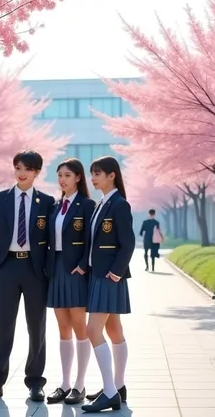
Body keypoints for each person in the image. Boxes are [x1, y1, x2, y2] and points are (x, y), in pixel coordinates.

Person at [0, 150, 55, 402]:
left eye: (27, 169)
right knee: (2, 325)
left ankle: (35, 383)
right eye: (18, 167)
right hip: (7, 268)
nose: (21, 173)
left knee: (36, 327)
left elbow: (51, 238)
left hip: (35, 270)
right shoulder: (1, 199)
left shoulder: (46, 202)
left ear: (36, 172)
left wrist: (46, 269)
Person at [81, 156, 134, 413]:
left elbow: (128, 243)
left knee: (92, 330)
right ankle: (118, 387)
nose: (93, 178)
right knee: (113, 330)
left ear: (112, 175)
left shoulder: (119, 205)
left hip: (108, 276)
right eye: (92, 173)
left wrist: (115, 273)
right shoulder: (101, 204)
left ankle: (110, 392)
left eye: (98, 173)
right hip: (97, 274)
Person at [45, 158, 96, 405]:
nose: (62, 179)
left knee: (80, 328)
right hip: (56, 271)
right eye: (59, 175)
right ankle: (64, 384)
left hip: (76, 272)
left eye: (67, 175)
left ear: (78, 177)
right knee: (62, 328)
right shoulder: (55, 206)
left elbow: (92, 239)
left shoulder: (87, 205)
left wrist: (83, 266)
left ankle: (80, 384)